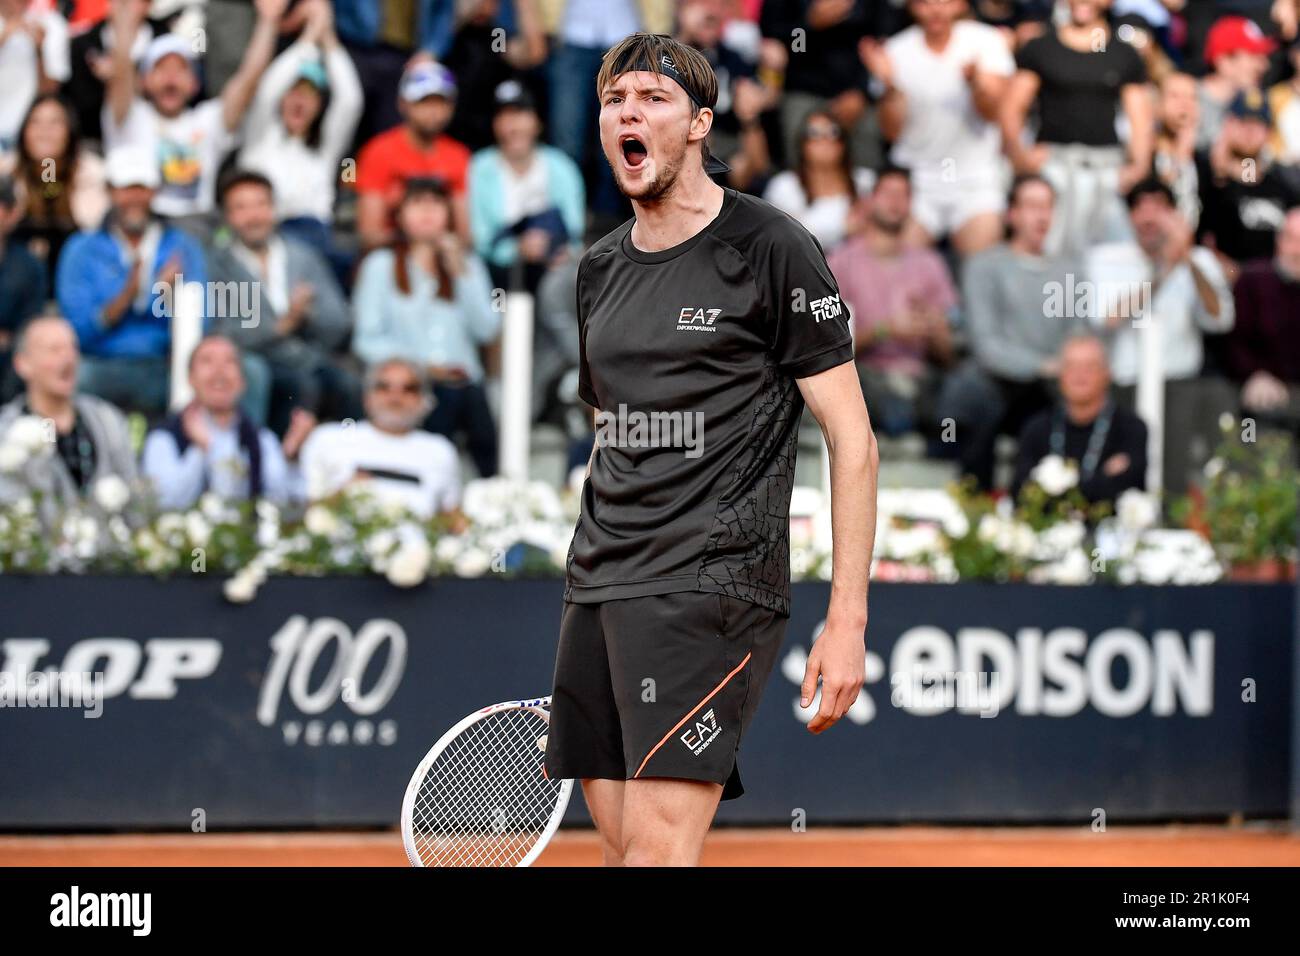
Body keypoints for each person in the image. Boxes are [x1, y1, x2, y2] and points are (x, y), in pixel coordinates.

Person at [543, 34, 878, 867]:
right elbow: (612, 426)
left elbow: (854, 439)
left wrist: (848, 619)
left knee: (656, 856)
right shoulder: (598, 269)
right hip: (602, 580)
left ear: (699, 123)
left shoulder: (771, 246)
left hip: (713, 582)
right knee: (634, 855)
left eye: (652, 98)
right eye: (615, 99)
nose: (629, 112)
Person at [100, 0, 289, 235]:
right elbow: (121, 68)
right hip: (144, 222)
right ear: (144, 81)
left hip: (200, 227)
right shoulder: (130, 117)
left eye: (181, 69)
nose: (171, 78)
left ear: (194, 83)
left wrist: (268, 20)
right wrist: (125, 19)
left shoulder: (207, 120)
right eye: (160, 68)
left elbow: (248, 80)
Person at [940, 175, 1079, 490]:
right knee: (977, 397)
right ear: (1012, 214)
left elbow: (1078, 334)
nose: (1041, 216)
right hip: (994, 385)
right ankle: (973, 505)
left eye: (1047, 207)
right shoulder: (983, 266)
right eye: (1031, 206)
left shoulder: (1070, 271)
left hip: (1046, 391)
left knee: (1061, 408)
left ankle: (1036, 509)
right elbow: (986, 346)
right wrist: (1045, 365)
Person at [353, 177, 500, 476]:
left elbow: (487, 329)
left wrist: (461, 272)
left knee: (469, 398)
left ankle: (492, 491)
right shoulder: (380, 265)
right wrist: (422, 366)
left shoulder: (469, 264)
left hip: (464, 384)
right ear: (401, 215)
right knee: (442, 399)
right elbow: (366, 340)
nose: (427, 212)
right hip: (410, 383)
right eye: (417, 203)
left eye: (436, 204)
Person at [56, 146, 207, 416]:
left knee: (209, 381)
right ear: (110, 191)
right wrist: (134, 295)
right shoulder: (81, 248)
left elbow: (200, 320)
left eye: (142, 188)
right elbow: (77, 332)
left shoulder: (183, 246)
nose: (134, 198)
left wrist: (164, 300)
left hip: (162, 365)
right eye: (126, 188)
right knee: (69, 379)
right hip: (100, 363)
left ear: (154, 192)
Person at [205, 170, 356, 434]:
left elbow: (340, 322)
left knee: (351, 385)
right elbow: (222, 332)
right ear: (227, 217)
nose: (253, 216)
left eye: (261, 205)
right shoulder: (219, 265)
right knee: (295, 385)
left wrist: (309, 316)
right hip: (256, 363)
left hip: (310, 357)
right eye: (241, 208)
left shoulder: (302, 256)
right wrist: (282, 326)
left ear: (274, 209)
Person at [1000, 0, 1152, 258]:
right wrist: (1021, 159)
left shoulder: (1123, 54)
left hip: (1106, 170)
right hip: (1054, 169)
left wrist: (1138, 167)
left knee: (1115, 256)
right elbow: (1011, 109)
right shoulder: (1041, 48)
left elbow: (1140, 118)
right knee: (1049, 254)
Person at [861, 0, 1014, 256]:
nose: (935, 9)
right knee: (900, 270)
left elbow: (994, 114)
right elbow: (891, 132)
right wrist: (888, 86)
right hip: (917, 181)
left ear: (960, 4)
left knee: (981, 270)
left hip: (976, 178)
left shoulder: (987, 41)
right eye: (925, 2)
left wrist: (975, 83)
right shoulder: (896, 50)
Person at [827, 165, 956, 437]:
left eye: (904, 195)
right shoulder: (842, 261)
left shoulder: (929, 263)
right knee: (863, 391)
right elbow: (827, 347)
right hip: (867, 375)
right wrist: (885, 329)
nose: (896, 202)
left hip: (922, 377)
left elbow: (948, 355)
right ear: (870, 200)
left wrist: (934, 329)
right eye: (888, 194)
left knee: (960, 399)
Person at [236, 0, 363, 261]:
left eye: (309, 95)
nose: (299, 101)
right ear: (281, 99)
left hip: (317, 236)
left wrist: (327, 37)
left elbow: (351, 101)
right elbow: (270, 87)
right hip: (268, 234)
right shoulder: (259, 136)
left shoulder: (326, 147)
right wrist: (309, 36)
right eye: (293, 93)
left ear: (320, 106)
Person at [142, 334, 310, 509]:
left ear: (243, 381)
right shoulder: (163, 437)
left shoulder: (262, 439)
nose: (219, 371)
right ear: (190, 379)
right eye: (207, 361)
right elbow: (164, 504)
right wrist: (200, 450)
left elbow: (280, 502)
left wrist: (290, 455)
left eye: (229, 362)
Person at [0, 314, 138, 517]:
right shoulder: (7, 430)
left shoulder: (106, 419)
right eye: (54, 350)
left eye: (73, 347)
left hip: (108, 547)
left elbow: (133, 494)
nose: (68, 358)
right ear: (23, 364)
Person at [297, 357, 461, 519]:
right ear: (366, 397)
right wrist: (343, 497)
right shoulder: (328, 438)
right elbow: (305, 510)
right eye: (383, 387)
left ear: (425, 400)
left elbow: (450, 518)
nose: (395, 397)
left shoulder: (440, 450)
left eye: (409, 388)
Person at [468, 80, 585, 293]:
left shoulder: (561, 167)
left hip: (553, 267)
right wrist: (517, 249)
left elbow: (574, 229)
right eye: (504, 116)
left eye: (521, 114)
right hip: (497, 273)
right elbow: (479, 237)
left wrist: (549, 246)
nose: (512, 126)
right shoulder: (479, 168)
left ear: (537, 122)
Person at [1012, 334, 1148, 506]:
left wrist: (1052, 489)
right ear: (1060, 374)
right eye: (1071, 366)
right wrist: (1102, 477)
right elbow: (1021, 492)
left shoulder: (1131, 428)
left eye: (1090, 367)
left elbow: (1127, 492)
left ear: (1107, 373)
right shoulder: (1036, 428)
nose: (1080, 375)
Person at [354, 60, 471, 249]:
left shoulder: (459, 155)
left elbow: (466, 236)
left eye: (441, 102)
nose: (433, 111)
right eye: (424, 102)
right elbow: (369, 234)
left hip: (444, 256)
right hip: (391, 253)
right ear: (403, 104)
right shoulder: (378, 151)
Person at [4, 93, 108, 297]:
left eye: (55, 123)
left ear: (69, 131)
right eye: (36, 122)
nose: (45, 131)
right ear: (24, 131)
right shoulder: (6, 173)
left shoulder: (92, 173)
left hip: (78, 285)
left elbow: (96, 239)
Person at [1197, 88, 1300, 274]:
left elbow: (1250, 180)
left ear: (1269, 132)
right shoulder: (1207, 176)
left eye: (1259, 123)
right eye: (1243, 121)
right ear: (1228, 124)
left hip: (1275, 286)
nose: (1250, 131)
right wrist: (1220, 172)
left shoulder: (1283, 186)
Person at [1227, 207, 1300, 428]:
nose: (1298, 250)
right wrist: (1254, 374)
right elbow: (1233, 339)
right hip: (1264, 395)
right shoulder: (1254, 280)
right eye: (1292, 240)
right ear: (1279, 241)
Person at [762, 109, 874, 249]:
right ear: (802, 143)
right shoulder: (784, 187)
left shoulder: (867, 182)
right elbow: (784, 242)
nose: (825, 139)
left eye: (833, 131)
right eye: (814, 132)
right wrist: (843, 229)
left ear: (843, 142)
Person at [1196, 15, 1276, 150]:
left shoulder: (1258, 105)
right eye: (1254, 56)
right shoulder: (1189, 102)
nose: (1264, 65)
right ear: (1224, 61)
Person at [1153, 72, 1202, 231]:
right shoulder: (1144, 159)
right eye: (1174, 96)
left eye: (1192, 97)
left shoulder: (1206, 164)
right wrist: (1181, 158)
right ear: (1157, 104)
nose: (1185, 104)